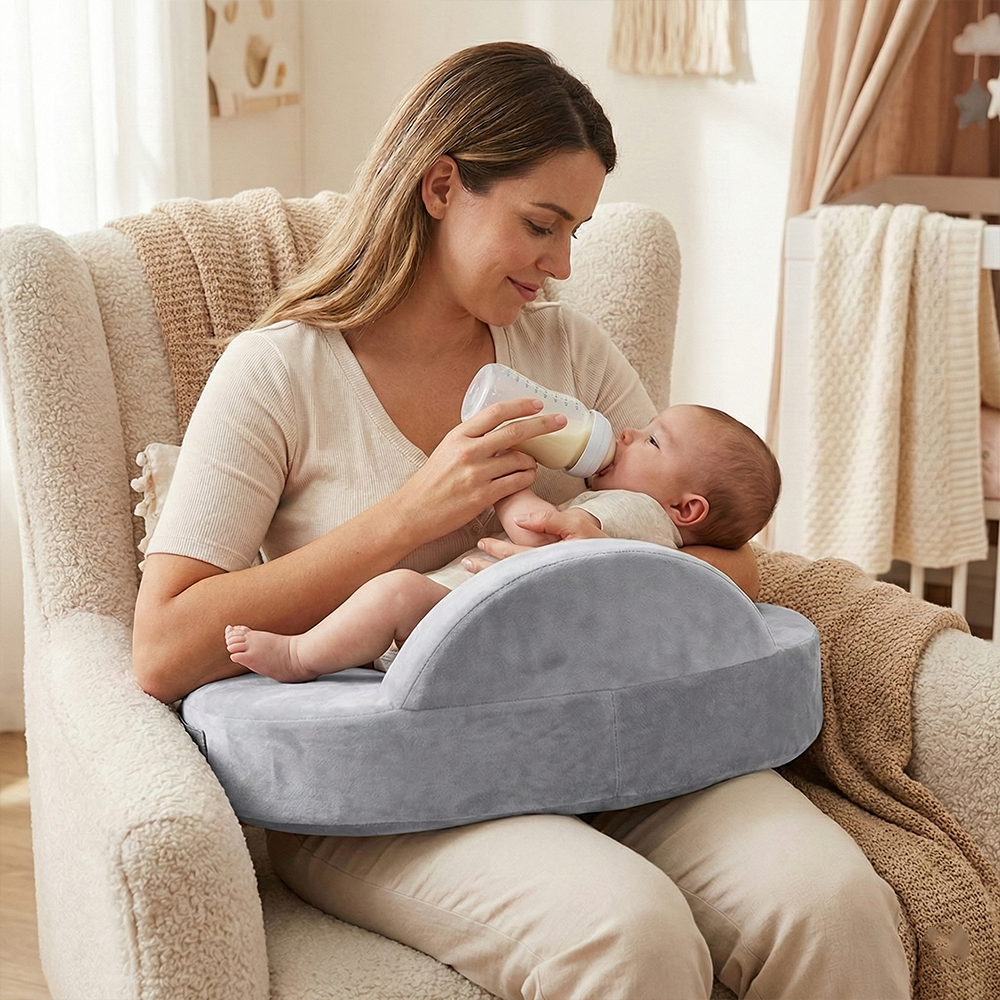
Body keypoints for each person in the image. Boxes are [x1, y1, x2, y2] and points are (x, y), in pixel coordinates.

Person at [132, 41, 910, 1000]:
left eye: (575, 231)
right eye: (542, 225)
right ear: (442, 186)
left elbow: (728, 561)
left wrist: (605, 546)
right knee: (628, 936)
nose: (563, 265)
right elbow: (163, 647)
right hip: (396, 778)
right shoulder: (278, 373)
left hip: (599, 733)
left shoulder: (564, 351)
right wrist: (406, 517)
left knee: (833, 905)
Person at [223, 403, 782, 683]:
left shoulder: (635, 510)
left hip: (471, 617)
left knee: (394, 592)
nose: (629, 431)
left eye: (653, 441)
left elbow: (537, 531)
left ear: (687, 509)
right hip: (496, 633)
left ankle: (300, 656)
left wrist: (509, 483)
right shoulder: (653, 532)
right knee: (394, 600)